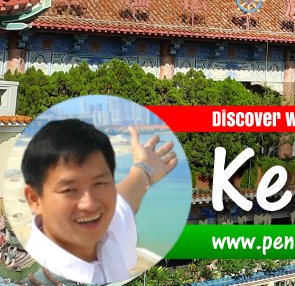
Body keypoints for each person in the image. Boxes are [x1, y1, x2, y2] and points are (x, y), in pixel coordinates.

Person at [20, 119, 177, 285]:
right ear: (34, 199)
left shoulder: (107, 231)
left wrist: (145, 169)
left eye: (99, 183)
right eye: (70, 190)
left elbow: (125, 198)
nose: (89, 204)